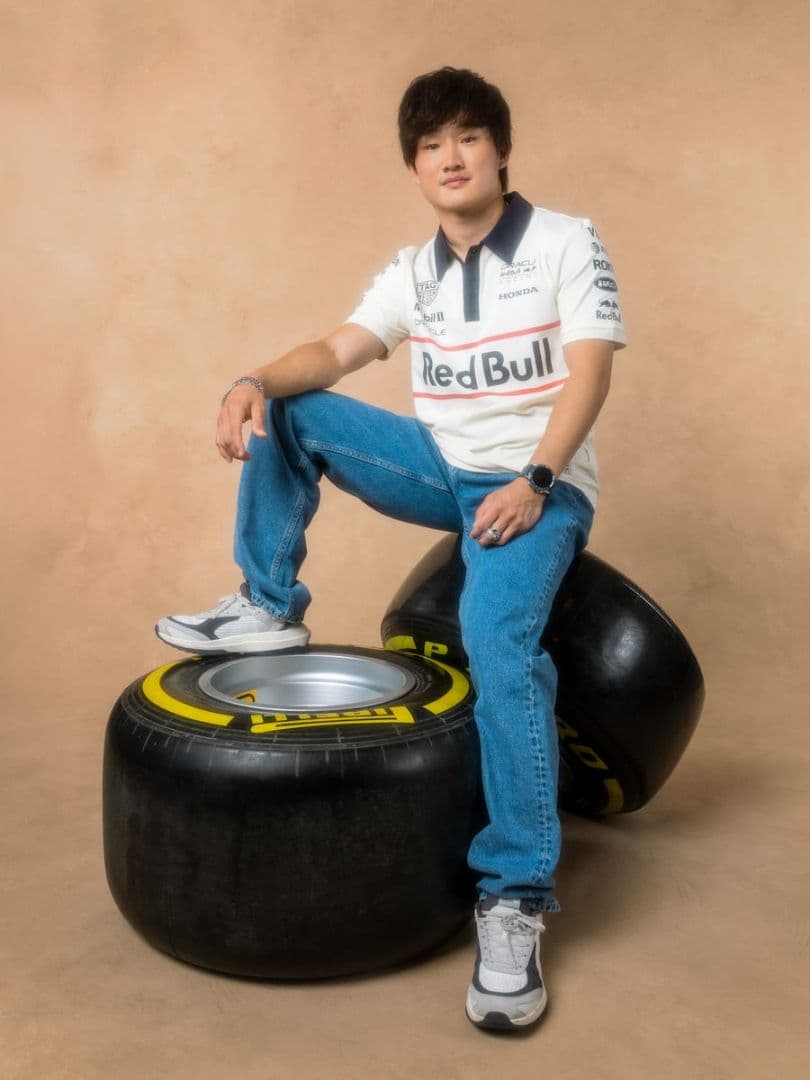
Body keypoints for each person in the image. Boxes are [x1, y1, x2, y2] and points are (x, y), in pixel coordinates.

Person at [156, 66, 627, 1031]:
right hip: (444, 469)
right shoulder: (414, 272)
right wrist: (250, 379)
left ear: (500, 150)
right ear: (414, 169)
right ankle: (267, 606)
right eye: (430, 146)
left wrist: (536, 479)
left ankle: (516, 897)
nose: (451, 158)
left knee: (497, 648)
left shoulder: (564, 240)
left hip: (536, 486)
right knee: (293, 404)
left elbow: (589, 373)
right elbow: (335, 352)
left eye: (468, 137)